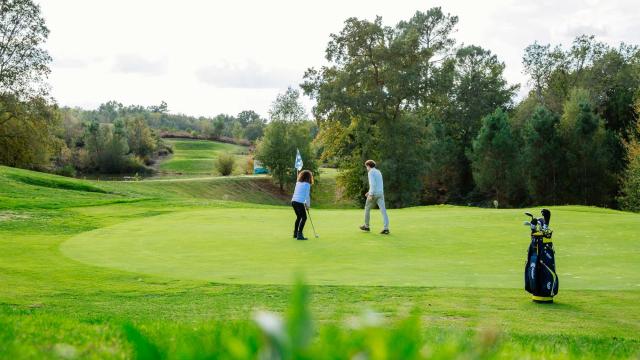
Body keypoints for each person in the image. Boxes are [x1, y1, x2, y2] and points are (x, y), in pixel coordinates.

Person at [360, 160, 390, 234]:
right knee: (383, 211)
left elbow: (373, 184)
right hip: (380, 193)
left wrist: (370, 194)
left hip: (374, 194)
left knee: (367, 208)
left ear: (368, 166)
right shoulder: (378, 172)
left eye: (366, 166)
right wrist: (369, 192)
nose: (366, 168)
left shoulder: (370, 172)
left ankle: (366, 226)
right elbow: (378, 183)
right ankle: (386, 228)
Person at [291, 170, 313, 240]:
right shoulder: (307, 185)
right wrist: (308, 206)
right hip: (299, 202)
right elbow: (307, 196)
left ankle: (295, 233)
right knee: (304, 218)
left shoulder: (298, 183)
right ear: (309, 177)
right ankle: (299, 235)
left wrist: (306, 205)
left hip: (293, 201)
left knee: (299, 217)